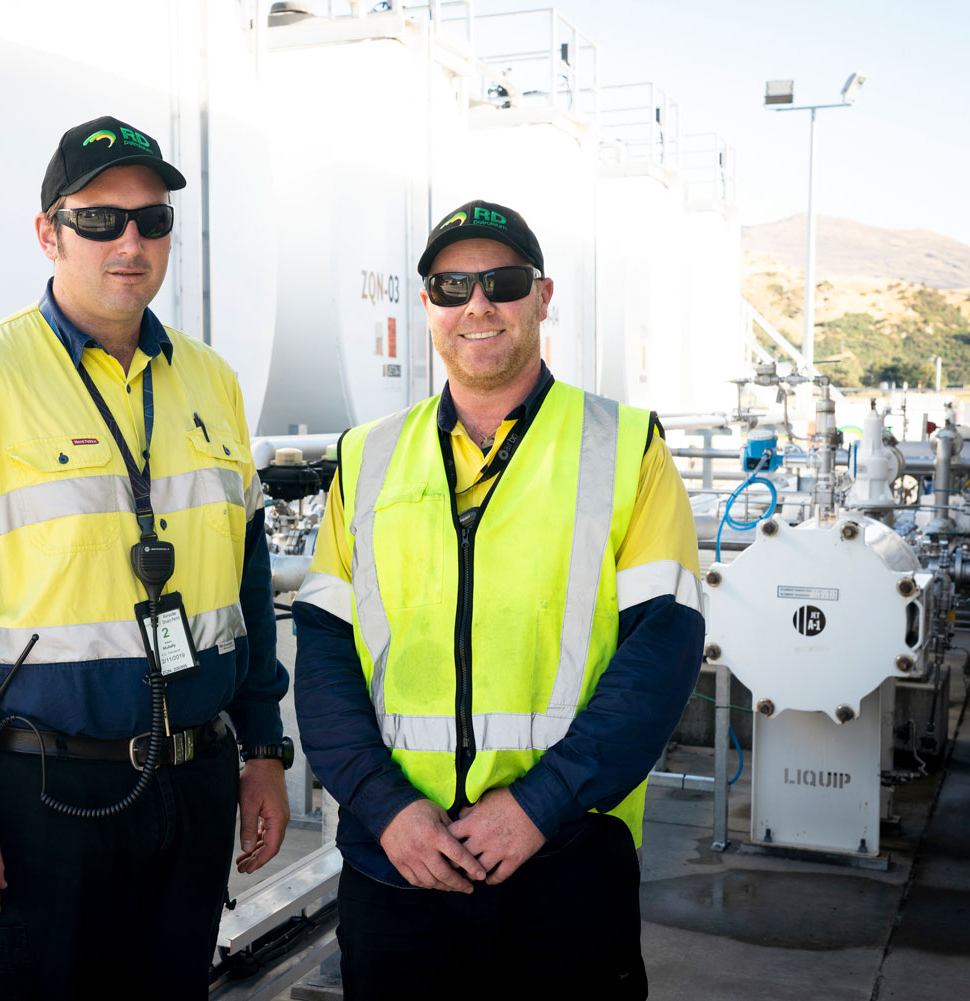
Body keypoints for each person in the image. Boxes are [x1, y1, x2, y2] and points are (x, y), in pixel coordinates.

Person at [0, 115, 291, 1000]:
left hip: (193, 781)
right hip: (39, 793)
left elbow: (246, 585)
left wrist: (263, 747)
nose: (129, 241)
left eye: (152, 219)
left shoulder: (212, 383)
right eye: (99, 219)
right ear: (49, 233)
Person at [292, 200, 704, 997]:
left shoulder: (625, 447)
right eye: (451, 286)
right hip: (397, 864)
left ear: (542, 297)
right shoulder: (366, 457)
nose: (476, 304)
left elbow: (663, 649)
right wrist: (386, 808)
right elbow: (324, 651)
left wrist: (540, 804)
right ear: (427, 307)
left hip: (565, 857)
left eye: (501, 281)